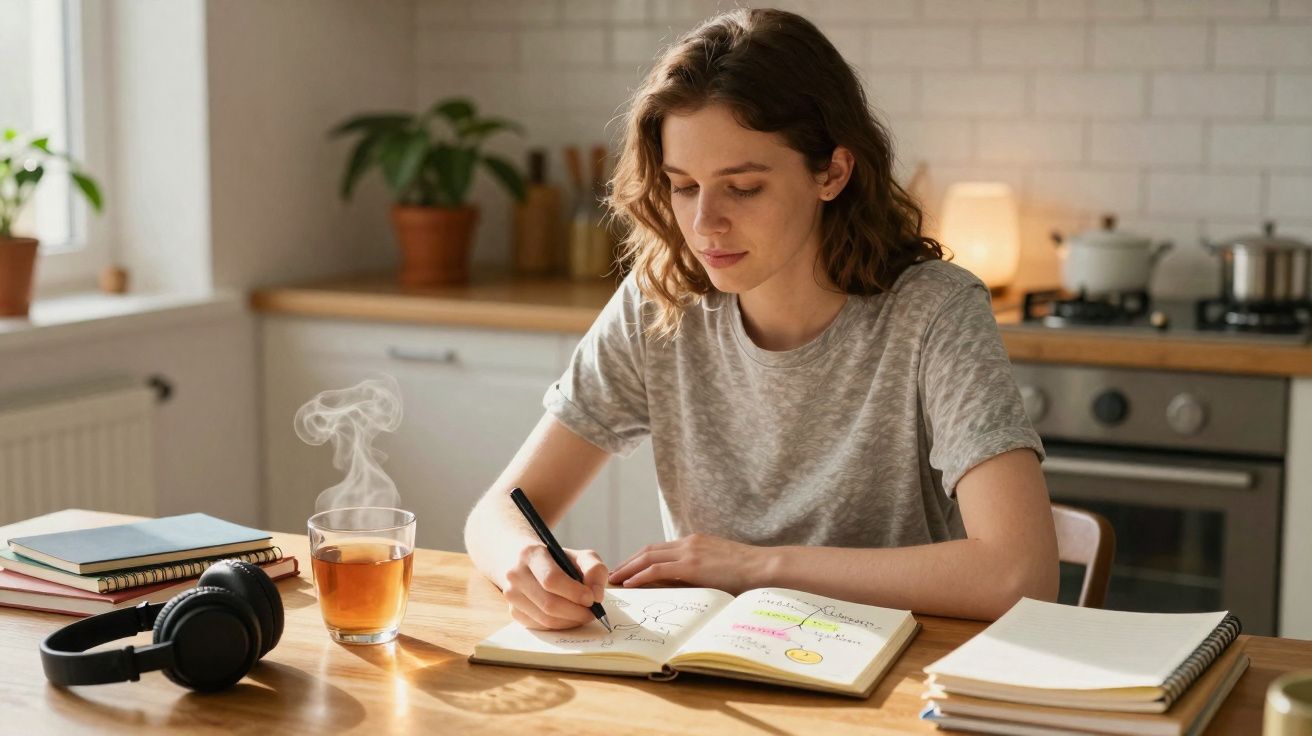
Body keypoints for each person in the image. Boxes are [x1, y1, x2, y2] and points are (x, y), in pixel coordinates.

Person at [464, 7, 1058, 631]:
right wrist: (527, 563)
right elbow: (498, 514)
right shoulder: (660, 300)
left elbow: (1021, 573)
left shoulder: (934, 311)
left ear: (831, 171)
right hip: (717, 679)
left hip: (894, 678)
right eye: (684, 186)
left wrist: (757, 568)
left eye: (742, 188)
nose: (703, 225)